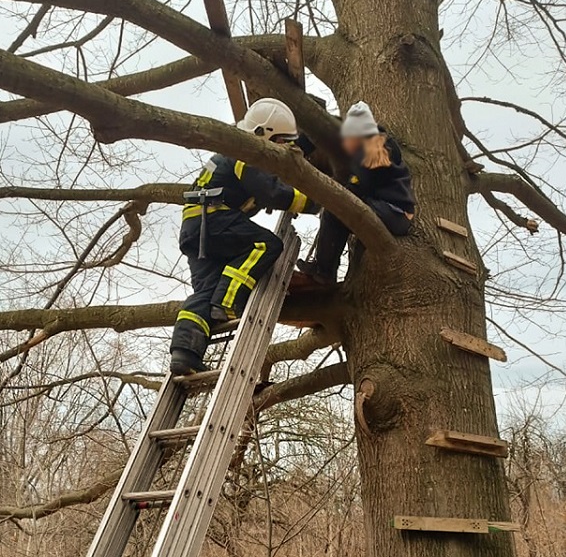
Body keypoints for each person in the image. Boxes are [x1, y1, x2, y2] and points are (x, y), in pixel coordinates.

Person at [170, 98, 319, 375]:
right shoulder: (244, 152)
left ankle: (184, 353)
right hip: (213, 221)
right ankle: (228, 303)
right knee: (267, 245)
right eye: (281, 140)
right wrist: (317, 202)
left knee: (205, 291)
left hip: (198, 229)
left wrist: (309, 143)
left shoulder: (234, 151)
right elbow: (272, 191)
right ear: (263, 133)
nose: (284, 147)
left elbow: (278, 168)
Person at [297, 101, 415, 284]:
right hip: (377, 206)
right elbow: (322, 133)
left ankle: (325, 270)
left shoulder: (379, 142)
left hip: (395, 212)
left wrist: (348, 182)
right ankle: (323, 270)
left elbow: (367, 177)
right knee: (333, 214)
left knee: (338, 206)